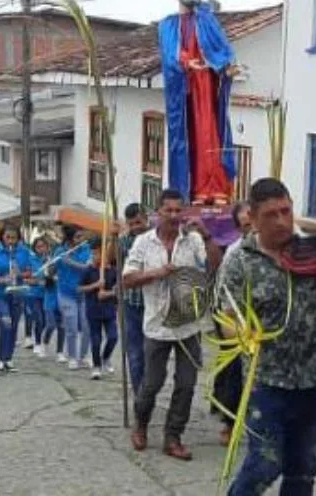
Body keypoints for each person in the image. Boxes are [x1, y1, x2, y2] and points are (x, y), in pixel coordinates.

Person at [220, 178, 316, 495]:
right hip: (267, 382)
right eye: (271, 214)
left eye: (286, 211)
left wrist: (313, 225)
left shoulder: (315, 248)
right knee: (264, 465)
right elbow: (227, 318)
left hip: (313, 379)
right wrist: (242, 335)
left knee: (303, 471)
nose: (281, 221)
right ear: (253, 218)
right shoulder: (240, 260)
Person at [124, 188, 220, 461]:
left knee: (186, 385)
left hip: (188, 324)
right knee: (152, 383)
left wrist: (207, 235)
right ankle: (141, 425)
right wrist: (157, 272)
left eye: (179, 210)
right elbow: (127, 279)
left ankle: (173, 436)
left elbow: (213, 266)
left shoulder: (192, 241)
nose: (175, 215)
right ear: (158, 212)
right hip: (156, 325)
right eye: (169, 210)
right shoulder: (143, 242)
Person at [158, 0, 238, 205]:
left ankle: (214, 187)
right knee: (184, 141)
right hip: (182, 89)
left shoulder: (207, 19)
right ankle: (189, 190)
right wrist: (184, 62)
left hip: (206, 87)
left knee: (209, 136)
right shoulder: (167, 25)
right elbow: (168, 55)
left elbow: (221, 49)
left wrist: (225, 67)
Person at [212, 200, 250, 446]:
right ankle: (229, 422)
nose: (253, 229)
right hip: (233, 316)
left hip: (265, 319)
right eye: (246, 225)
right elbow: (225, 296)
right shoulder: (236, 252)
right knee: (234, 372)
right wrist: (234, 329)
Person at [0, 225, 29, 372]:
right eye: (7, 237)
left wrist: (19, 274)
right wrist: (2, 280)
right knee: (6, 324)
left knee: (14, 327)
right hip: (0, 294)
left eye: (14, 238)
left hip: (17, 293)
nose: (10, 241)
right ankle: (0, 358)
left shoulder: (24, 252)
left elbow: (29, 273)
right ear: (2, 237)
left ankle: (9, 358)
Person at [119, 203, 149, 394]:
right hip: (131, 303)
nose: (136, 227)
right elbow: (115, 263)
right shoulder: (124, 241)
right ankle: (139, 394)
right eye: (131, 224)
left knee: (152, 353)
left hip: (153, 303)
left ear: (146, 218)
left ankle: (148, 389)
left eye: (138, 222)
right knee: (135, 353)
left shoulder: (156, 239)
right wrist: (113, 237)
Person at [54, 225, 92, 371]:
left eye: (82, 236)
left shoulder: (87, 249)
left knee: (87, 326)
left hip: (84, 293)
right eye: (78, 237)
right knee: (71, 327)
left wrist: (69, 262)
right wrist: (55, 261)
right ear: (69, 239)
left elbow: (88, 268)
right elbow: (50, 271)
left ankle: (83, 357)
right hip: (66, 293)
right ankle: (72, 357)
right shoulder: (60, 251)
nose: (82, 239)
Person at [79, 239, 118, 380]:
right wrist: (95, 285)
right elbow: (79, 288)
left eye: (100, 253)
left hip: (109, 311)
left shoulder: (113, 271)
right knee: (96, 340)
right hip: (93, 310)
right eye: (95, 253)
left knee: (113, 337)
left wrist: (108, 293)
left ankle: (105, 357)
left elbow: (119, 289)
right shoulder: (88, 270)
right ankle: (96, 366)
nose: (97, 256)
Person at [27, 237, 51, 358]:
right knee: (39, 319)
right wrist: (37, 282)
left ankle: (41, 342)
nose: (41, 249)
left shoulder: (50, 260)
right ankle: (37, 342)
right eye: (38, 246)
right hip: (33, 294)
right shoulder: (30, 260)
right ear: (34, 248)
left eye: (43, 246)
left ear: (47, 247)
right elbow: (28, 278)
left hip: (47, 294)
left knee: (46, 321)